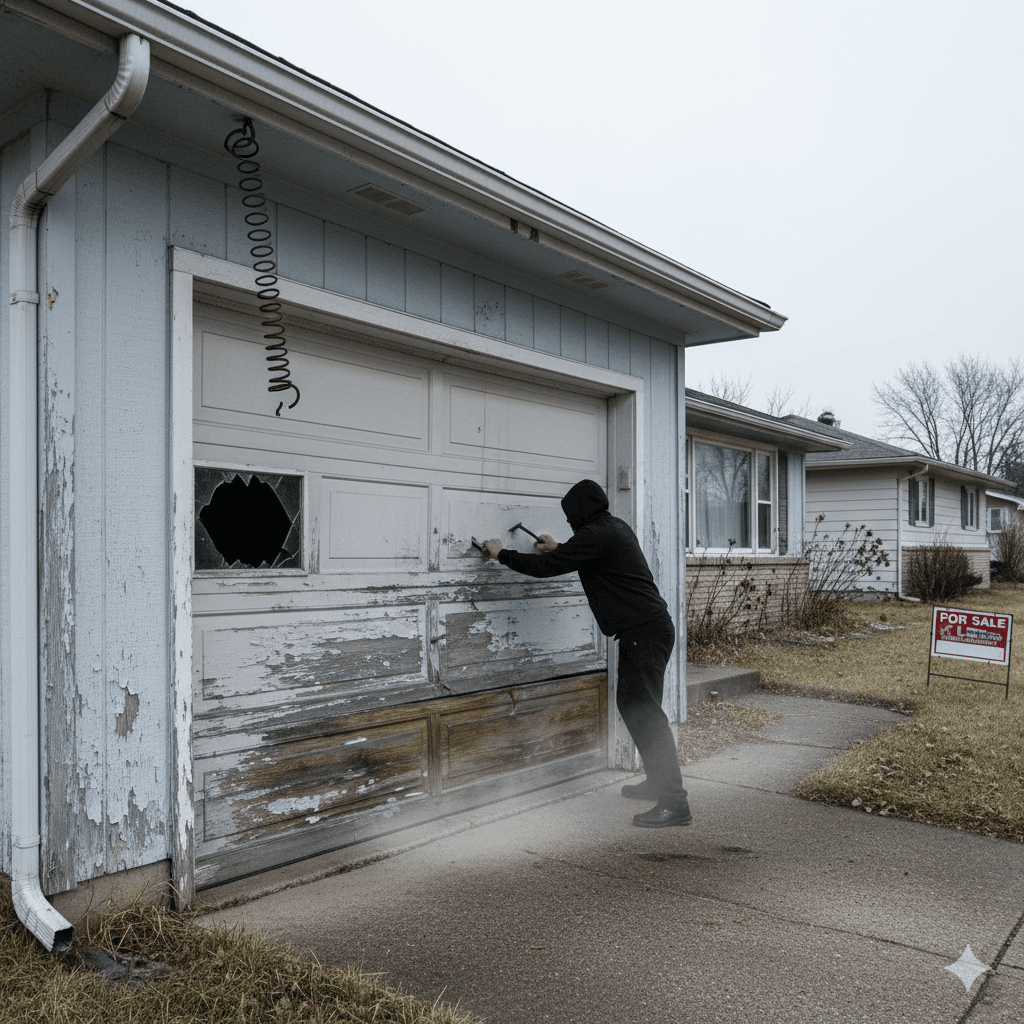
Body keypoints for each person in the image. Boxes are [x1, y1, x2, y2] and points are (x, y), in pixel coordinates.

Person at [482, 478, 691, 828]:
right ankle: (659, 783)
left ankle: (675, 803)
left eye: (570, 519)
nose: (570, 524)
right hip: (648, 630)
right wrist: (561, 547)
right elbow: (587, 553)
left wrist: (500, 553)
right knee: (636, 708)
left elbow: (546, 567)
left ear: (581, 512)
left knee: (645, 713)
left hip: (644, 633)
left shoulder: (595, 535)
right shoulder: (611, 527)